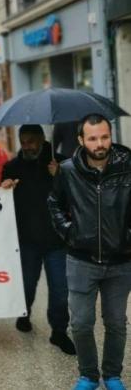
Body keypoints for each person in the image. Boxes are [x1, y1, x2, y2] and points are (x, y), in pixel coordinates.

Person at [48, 114, 131, 390]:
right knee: (81, 324)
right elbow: (54, 204)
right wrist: (69, 232)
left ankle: (112, 375)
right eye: (93, 138)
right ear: (81, 140)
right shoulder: (68, 170)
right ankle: (88, 376)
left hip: (121, 260)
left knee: (117, 323)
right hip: (81, 260)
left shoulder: (128, 167)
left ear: (111, 136)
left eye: (105, 137)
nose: (100, 143)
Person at [0, 125, 75, 355]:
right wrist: (4, 190)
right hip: (26, 240)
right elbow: (1, 205)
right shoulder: (12, 167)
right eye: (23, 141)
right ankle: (25, 313)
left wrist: (61, 178)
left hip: (57, 241)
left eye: (32, 141)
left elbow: (76, 199)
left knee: (60, 290)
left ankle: (59, 331)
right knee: (26, 284)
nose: (27, 146)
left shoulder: (62, 163)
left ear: (43, 139)